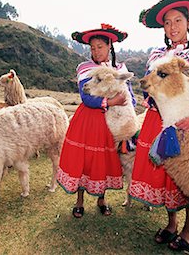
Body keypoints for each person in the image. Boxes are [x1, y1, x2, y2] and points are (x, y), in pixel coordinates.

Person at [129, 0, 189, 252]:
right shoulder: (158, 58)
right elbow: (150, 90)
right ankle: (171, 223)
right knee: (167, 177)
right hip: (160, 122)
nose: (173, 27)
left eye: (178, 20)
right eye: (167, 23)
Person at [57, 23, 136, 218]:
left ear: (109, 46)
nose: (96, 51)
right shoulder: (86, 68)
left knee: (103, 161)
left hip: (111, 124)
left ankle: (102, 200)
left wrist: (128, 105)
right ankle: (79, 201)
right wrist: (111, 101)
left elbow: (129, 94)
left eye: (100, 46)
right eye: (92, 48)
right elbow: (87, 97)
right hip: (89, 121)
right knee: (85, 161)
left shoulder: (119, 68)